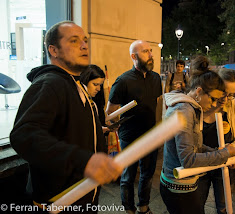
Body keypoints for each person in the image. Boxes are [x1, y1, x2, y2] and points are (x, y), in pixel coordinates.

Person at [10, 21, 122, 213]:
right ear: (53, 50)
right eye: (74, 41)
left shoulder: (75, 84)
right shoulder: (50, 83)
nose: (84, 45)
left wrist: (95, 131)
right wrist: (84, 160)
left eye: (85, 41)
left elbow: (68, 127)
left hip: (83, 197)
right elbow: (24, 135)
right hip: (60, 203)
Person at [160, 55, 235, 214]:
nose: (215, 104)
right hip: (179, 188)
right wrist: (223, 153)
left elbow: (195, 146)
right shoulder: (184, 111)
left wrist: (221, 153)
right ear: (199, 91)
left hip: (183, 185)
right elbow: (188, 159)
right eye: (214, 99)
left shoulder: (189, 108)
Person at [106, 40, 162, 214]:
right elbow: (110, 113)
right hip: (129, 136)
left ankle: (143, 207)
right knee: (128, 176)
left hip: (150, 135)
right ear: (133, 56)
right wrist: (112, 124)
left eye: (151, 51)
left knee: (147, 174)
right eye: (146, 52)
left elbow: (157, 103)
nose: (151, 55)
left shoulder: (155, 78)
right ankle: (128, 209)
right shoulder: (122, 81)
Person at [198, 68, 235, 214]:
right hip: (202, 163)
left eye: (231, 95)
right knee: (197, 203)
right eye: (223, 93)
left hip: (226, 163)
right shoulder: (201, 105)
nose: (225, 99)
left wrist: (231, 148)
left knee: (223, 204)